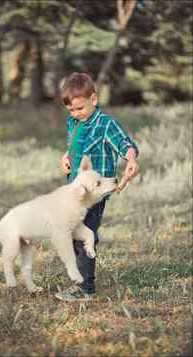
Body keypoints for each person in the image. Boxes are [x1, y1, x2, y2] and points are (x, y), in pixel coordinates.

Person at [55, 72, 139, 302]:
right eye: (71, 110)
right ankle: (80, 279)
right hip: (75, 193)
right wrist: (65, 157)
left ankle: (85, 288)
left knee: (84, 236)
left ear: (94, 99)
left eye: (79, 108)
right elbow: (73, 148)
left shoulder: (105, 124)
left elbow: (125, 144)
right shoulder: (73, 123)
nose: (75, 114)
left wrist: (131, 160)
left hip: (94, 195)